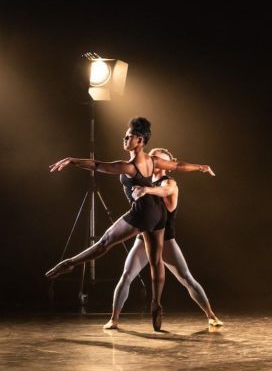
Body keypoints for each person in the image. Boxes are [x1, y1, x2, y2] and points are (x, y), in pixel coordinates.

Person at [46, 117, 215, 331]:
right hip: (157, 217)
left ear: (140, 141)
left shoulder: (129, 166)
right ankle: (156, 303)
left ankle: (70, 262)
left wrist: (72, 160)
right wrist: (201, 167)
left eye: (130, 136)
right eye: (125, 135)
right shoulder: (153, 162)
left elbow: (98, 165)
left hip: (143, 214)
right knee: (155, 263)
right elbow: (179, 165)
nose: (125, 138)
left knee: (104, 243)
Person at [103, 147, 224, 330]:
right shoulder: (141, 178)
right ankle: (114, 319)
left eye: (158, 158)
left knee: (186, 277)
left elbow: (165, 191)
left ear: (166, 164)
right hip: (144, 237)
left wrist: (146, 190)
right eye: (152, 157)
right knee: (127, 275)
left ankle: (211, 316)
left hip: (165, 238)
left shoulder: (169, 182)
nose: (153, 160)